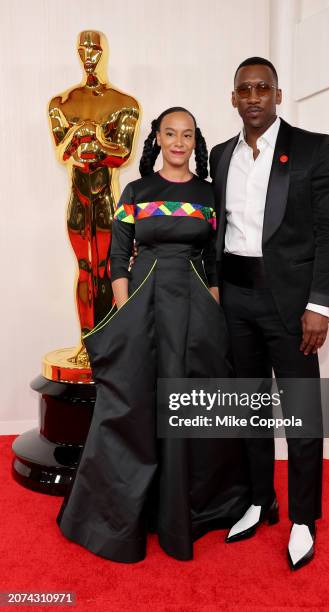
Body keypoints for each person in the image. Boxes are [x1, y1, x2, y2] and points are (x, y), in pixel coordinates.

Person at [56, 107, 250, 563]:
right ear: (158, 139)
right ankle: (127, 514)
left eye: (186, 135)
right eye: (170, 133)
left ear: (194, 141)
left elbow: (216, 259)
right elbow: (118, 255)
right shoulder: (137, 191)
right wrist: (126, 311)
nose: (178, 142)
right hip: (142, 304)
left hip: (196, 308)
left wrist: (214, 307)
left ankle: (192, 511)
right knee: (134, 404)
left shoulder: (207, 194)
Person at [209, 57, 329, 570]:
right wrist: (219, 288)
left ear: (278, 95)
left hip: (291, 304)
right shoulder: (221, 156)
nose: (253, 97)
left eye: (262, 88)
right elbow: (218, 231)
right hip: (236, 302)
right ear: (233, 98)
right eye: (244, 89)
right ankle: (259, 499)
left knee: (300, 414)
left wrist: (319, 304)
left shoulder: (314, 148)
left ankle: (304, 518)